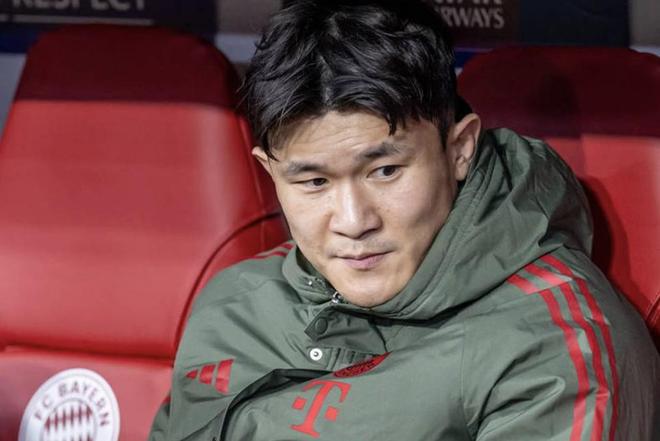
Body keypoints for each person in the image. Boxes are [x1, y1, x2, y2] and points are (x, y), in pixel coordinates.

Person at [149, 1, 659, 440]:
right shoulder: (233, 304)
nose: (353, 222)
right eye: (314, 182)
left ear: (459, 149)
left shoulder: (555, 347)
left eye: (385, 171)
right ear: (270, 173)